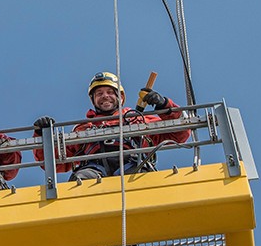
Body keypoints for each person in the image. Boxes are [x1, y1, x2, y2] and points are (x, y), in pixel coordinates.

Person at [34, 71, 188, 181]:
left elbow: (179, 134)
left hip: (134, 164)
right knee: (80, 181)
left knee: (141, 179)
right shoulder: (83, 128)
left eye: (109, 92)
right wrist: (42, 136)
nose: (105, 96)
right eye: (99, 93)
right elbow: (56, 162)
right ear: (93, 100)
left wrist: (164, 106)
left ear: (120, 97)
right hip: (92, 169)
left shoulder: (138, 119)